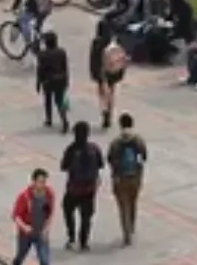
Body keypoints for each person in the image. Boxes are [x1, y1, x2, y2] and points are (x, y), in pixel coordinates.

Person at [58, 121, 104, 251]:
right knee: (86, 216)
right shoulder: (94, 148)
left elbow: (63, 167)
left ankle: (71, 237)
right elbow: (101, 165)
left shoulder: (71, 149)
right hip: (89, 188)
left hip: (73, 188)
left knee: (68, 210)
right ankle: (84, 241)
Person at [108, 113, 148, 246]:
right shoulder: (138, 139)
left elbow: (110, 159)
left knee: (123, 206)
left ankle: (126, 233)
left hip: (120, 178)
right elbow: (144, 156)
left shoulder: (116, 142)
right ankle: (132, 226)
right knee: (133, 202)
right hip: (135, 176)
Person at [89, 17, 127, 130]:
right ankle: (109, 112)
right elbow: (121, 57)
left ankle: (104, 111)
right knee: (112, 91)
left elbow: (94, 59)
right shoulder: (114, 42)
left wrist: (94, 73)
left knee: (102, 92)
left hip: (101, 71)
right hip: (113, 71)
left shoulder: (96, 42)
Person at [11, 169, 56, 265]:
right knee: (20, 256)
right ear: (34, 182)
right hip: (26, 234)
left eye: (44, 182)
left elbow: (50, 213)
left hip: (40, 232)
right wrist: (25, 227)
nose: (43, 185)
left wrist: (46, 228)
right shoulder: (24, 196)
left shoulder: (49, 194)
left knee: (44, 260)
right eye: (40, 182)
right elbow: (16, 216)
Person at [35, 32, 72, 131]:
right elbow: (65, 67)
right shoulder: (61, 52)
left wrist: (38, 83)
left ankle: (49, 119)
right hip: (61, 79)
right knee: (60, 101)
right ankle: (64, 120)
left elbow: (40, 70)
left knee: (48, 99)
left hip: (48, 81)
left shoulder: (42, 54)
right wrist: (67, 80)